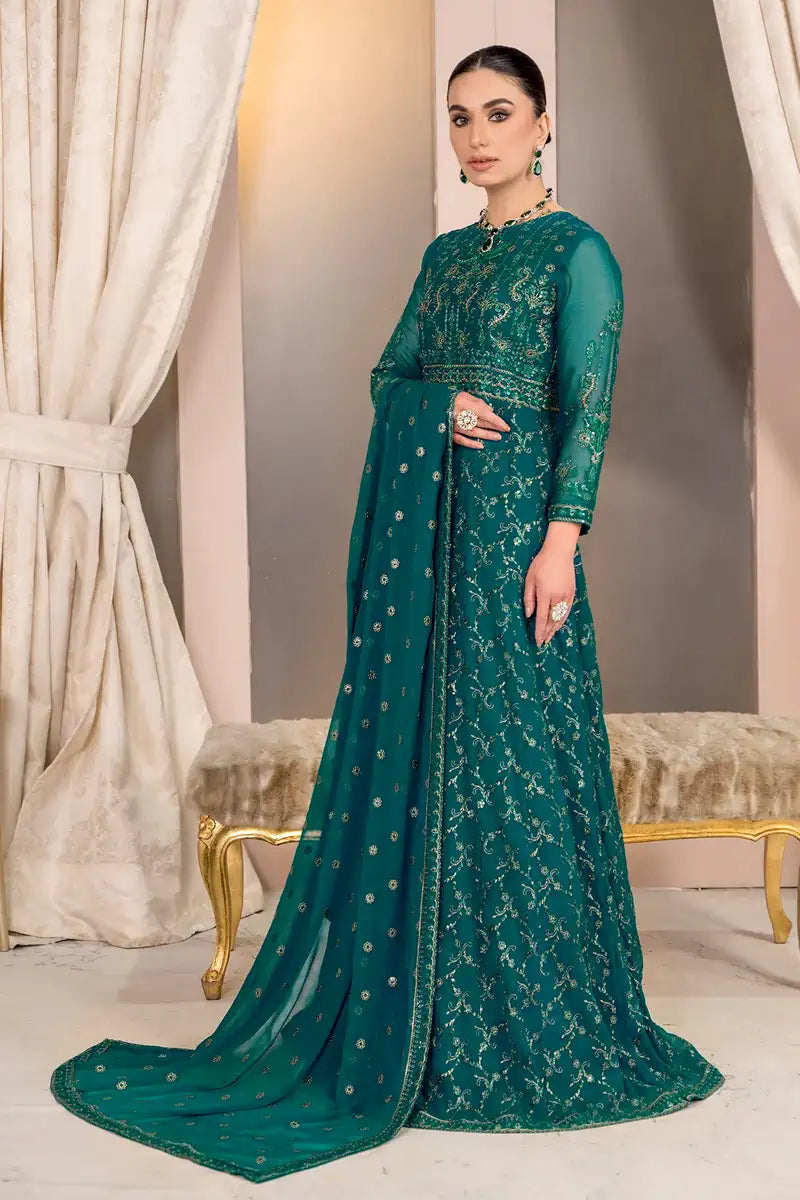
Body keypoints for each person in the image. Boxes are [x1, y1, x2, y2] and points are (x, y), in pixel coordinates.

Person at [50, 44, 725, 1183]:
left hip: (516, 547)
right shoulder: (444, 257)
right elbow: (385, 377)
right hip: (433, 554)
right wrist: (438, 403)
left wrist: (562, 541)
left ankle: (536, 1023)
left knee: (518, 769)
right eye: (460, 117)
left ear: (543, 123)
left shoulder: (579, 254)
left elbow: (589, 409)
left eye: (499, 113)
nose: (478, 136)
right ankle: (433, 1023)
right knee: (434, 767)